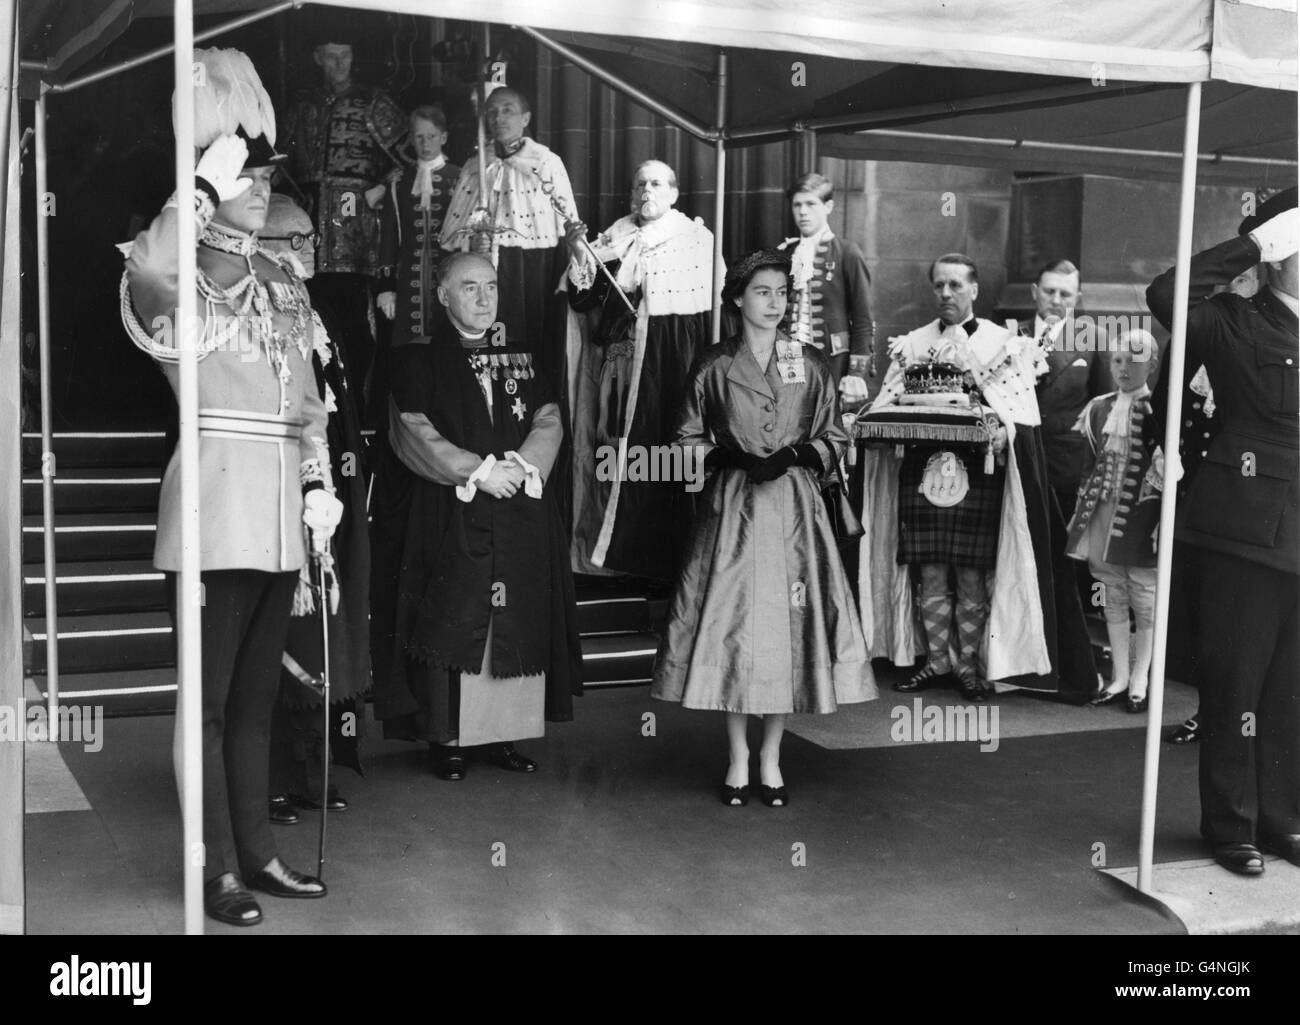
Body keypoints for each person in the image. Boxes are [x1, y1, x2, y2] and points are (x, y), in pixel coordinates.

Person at [120, 48, 340, 925]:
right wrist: (195, 192)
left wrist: (318, 482)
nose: (260, 188)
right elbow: (154, 278)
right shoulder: (182, 269)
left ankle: (259, 854)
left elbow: (310, 399)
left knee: (255, 701)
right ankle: (210, 869)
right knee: (205, 703)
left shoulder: (280, 280)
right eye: (244, 176)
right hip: (215, 502)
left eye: (254, 175)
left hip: (281, 509)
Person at [651, 250, 877, 808]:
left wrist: (800, 450)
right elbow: (683, 438)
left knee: (784, 630)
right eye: (762, 292)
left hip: (795, 507)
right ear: (736, 300)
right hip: (733, 509)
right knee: (733, 625)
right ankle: (737, 757)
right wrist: (721, 456)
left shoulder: (811, 362)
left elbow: (837, 435)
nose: (774, 303)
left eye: (781, 292)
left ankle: (772, 757)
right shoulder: (712, 365)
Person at [370, 252, 583, 780]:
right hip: (451, 508)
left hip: (518, 503)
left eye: (491, 287)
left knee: (515, 617)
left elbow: (549, 418)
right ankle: (448, 740)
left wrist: (522, 466)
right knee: (458, 618)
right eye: (470, 288)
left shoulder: (522, 356)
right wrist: (477, 472)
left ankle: (501, 735)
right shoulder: (416, 359)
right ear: (443, 296)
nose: (485, 299)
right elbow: (410, 431)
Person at [857, 253, 1096, 702]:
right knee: (928, 571)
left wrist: (998, 428)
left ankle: (968, 664)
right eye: (939, 286)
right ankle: (937, 660)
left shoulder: (1003, 344)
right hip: (924, 474)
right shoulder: (912, 344)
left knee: (969, 575)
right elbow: (885, 405)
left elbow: (1020, 418)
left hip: (979, 473)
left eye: (955, 285)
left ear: (975, 290)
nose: (946, 294)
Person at [1146, 186, 1299, 877]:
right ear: (1279, 254)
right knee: (1237, 681)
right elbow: (1167, 292)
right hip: (1244, 525)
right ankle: (1231, 824)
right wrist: (1255, 241)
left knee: (1290, 687)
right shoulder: (1234, 319)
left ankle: (1280, 818)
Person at [260, 194, 370, 822]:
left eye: (310, 240)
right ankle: (270, 778)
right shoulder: (254, 315)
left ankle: (315, 769)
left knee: (325, 629)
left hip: (332, 491)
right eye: (293, 240)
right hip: (277, 494)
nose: (308, 252)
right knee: (282, 630)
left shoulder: (319, 314)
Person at [565, 159, 716, 580]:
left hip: (668, 371)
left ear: (673, 193)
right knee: (615, 456)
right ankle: (616, 558)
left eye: (655, 184)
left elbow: (708, 322)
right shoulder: (616, 235)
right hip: (619, 370)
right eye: (639, 185)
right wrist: (580, 251)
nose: (647, 191)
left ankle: (663, 564)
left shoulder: (695, 241)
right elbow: (584, 302)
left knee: (661, 458)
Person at [285, 19, 406, 417]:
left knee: (357, 326)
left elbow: (408, 163)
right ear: (317, 58)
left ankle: (359, 409)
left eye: (345, 56)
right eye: (331, 57)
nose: (339, 64)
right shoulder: (302, 106)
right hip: (307, 238)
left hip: (357, 241)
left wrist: (379, 189)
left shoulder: (374, 104)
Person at [439, 87, 580, 392]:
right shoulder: (476, 165)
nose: (498, 118)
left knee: (531, 347)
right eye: (491, 112)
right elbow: (453, 235)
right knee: (490, 345)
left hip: (533, 268)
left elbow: (566, 231)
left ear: (525, 117)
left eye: (507, 110)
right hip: (485, 269)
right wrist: (470, 246)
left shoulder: (546, 163)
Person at [1064, 331, 1164, 714]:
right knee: (1110, 593)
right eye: (1118, 360)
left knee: (1145, 597)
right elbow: (1088, 465)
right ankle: (1120, 675)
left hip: (1143, 519)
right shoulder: (1097, 409)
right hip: (1103, 514)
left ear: (1152, 365)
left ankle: (1141, 678)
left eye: (1135, 360)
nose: (1124, 368)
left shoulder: (1159, 411)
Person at [1018, 259, 1109, 521]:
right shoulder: (1011, 334)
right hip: (1021, 460)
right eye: (1049, 291)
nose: (1056, 300)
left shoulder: (1094, 337)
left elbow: (1103, 407)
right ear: (1035, 291)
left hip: (1070, 466)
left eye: (1065, 294)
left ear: (1077, 298)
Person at [778, 173, 876, 399]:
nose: (803, 212)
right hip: (788, 359)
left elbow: (863, 318)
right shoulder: (786, 254)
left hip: (833, 361)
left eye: (811, 204)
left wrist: (856, 373)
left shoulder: (846, 253)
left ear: (828, 206)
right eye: (797, 205)